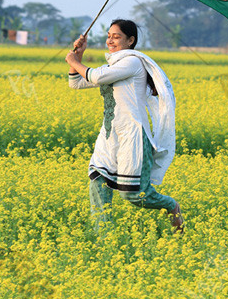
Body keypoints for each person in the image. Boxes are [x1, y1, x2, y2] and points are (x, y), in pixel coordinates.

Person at [65, 19, 184, 233]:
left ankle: (171, 206)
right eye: (109, 35)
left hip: (134, 136)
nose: (110, 40)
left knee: (134, 195)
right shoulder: (114, 65)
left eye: (116, 36)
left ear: (131, 41)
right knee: (98, 183)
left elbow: (96, 76)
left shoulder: (132, 63)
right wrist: (79, 56)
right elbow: (77, 82)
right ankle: (104, 239)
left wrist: (73, 60)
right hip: (110, 135)